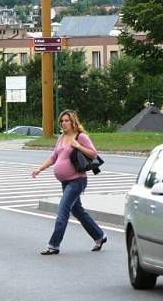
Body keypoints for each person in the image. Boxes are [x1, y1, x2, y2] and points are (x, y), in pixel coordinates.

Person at [31, 109, 107, 255]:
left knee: (63, 210)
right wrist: (39, 168)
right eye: (62, 121)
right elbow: (54, 157)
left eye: (67, 121)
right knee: (78, 211)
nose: (64, 123)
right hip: (65, 182)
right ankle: (99, 236)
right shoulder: (61, 138)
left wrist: (77, 145)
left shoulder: (81, 137)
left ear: (73, 122)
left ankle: (54, 245)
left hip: (77, 180)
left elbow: (93, 154)